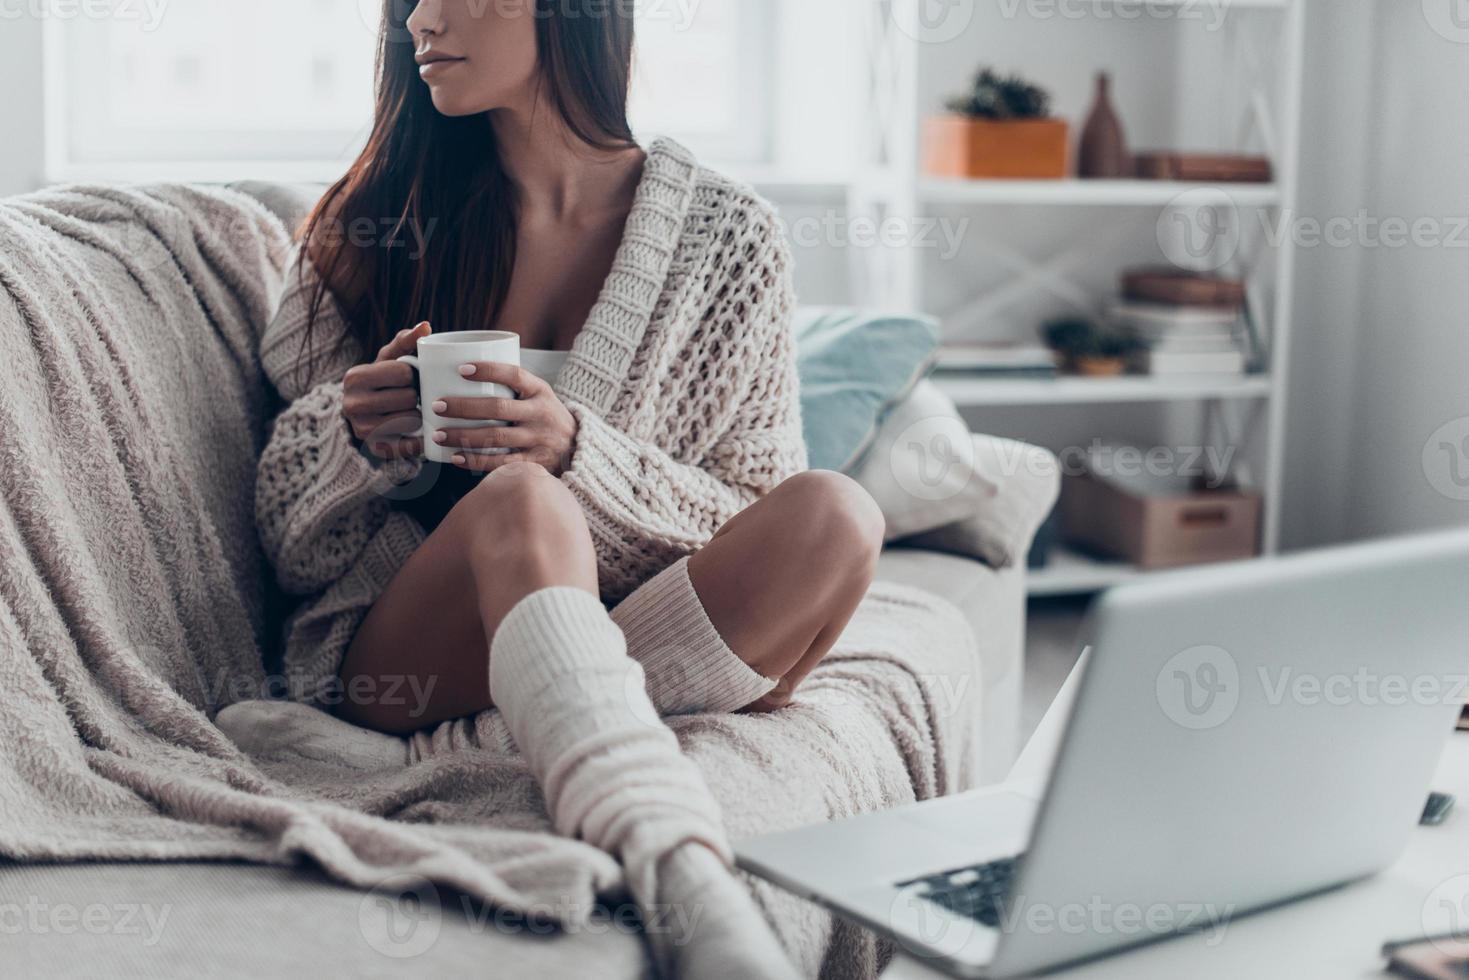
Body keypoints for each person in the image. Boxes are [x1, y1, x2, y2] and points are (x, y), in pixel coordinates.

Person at [247, 1, 885, 975]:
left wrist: (578, 450)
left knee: (837, 515)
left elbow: (745, 512)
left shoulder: (728, 242)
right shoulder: (368, 224)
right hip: (408, 652)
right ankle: (675, 858)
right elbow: (287, 545)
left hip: (627, 614)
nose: (421, 19)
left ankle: (536, 722)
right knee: (518, 502)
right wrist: (350, 438)